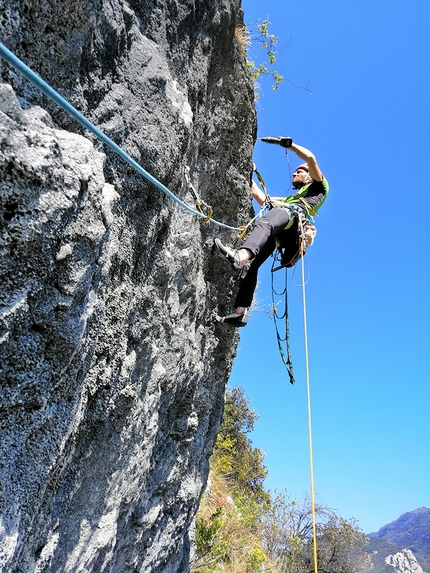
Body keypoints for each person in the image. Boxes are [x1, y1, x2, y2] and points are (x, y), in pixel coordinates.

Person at [214, 139, 329, 327]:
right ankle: (240, 312)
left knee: (266, 222)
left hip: (293, 219)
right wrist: (246, 172)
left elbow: (310, 158)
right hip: (284, 234)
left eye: (299, 171)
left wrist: (289, 146)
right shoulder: (291, 199)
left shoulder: (319, 187)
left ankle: (240, 255)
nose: (294, 173)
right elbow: (263, 199)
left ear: (309, 176)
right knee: (253, 265)